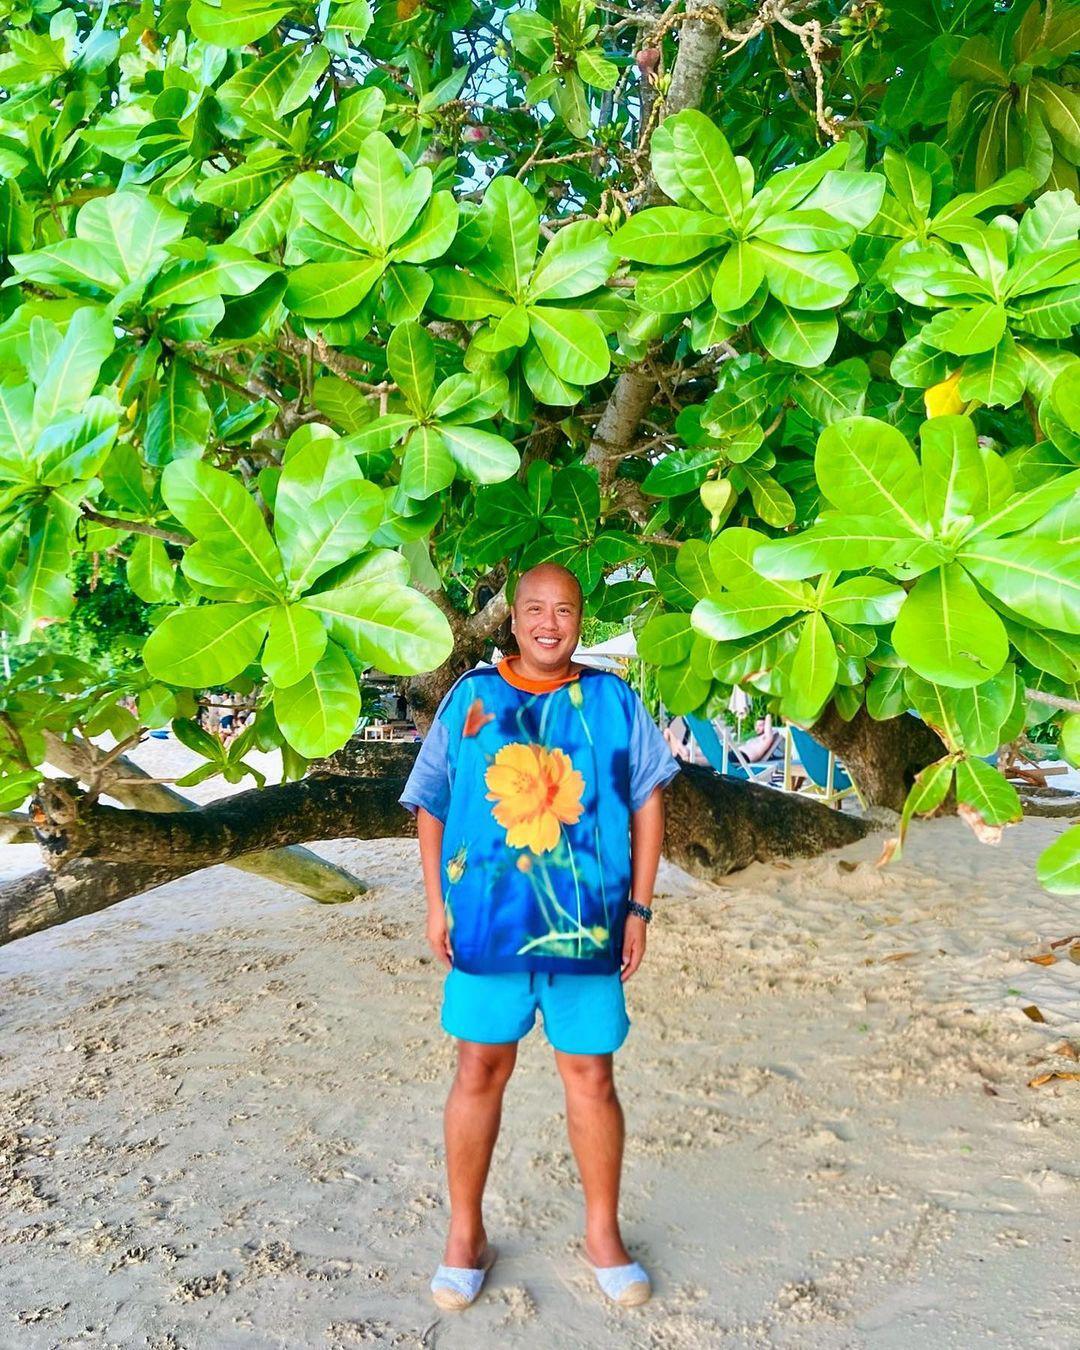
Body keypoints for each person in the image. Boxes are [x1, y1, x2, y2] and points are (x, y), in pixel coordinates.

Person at [399, 563, 681, 1313]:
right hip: (487, 927)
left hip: (589, 930)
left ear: (580, 619)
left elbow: (649, 802)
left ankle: (602, 1235)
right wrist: (436, 904)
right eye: (535, 609)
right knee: (478, 1071)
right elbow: (431, 801)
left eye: (565, 609)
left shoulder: (613, 700)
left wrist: (640, 909)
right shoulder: (471, 698)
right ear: (514, 620)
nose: (550, 622)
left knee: (592, 1077)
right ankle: (465, 1237)